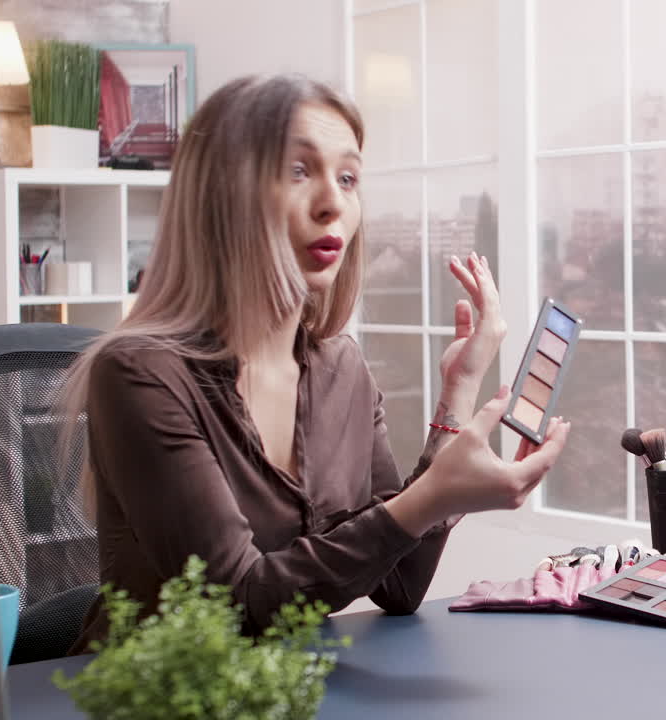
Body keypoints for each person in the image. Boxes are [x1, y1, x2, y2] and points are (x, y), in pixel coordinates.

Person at [62, 74, 570, 653]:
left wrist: (458, 393)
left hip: (293, 691)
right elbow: (237, 605)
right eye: (299, 171)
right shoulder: (139, 373)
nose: (333, 202)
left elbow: (400, 584)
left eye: (348, 177)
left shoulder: (341, 370)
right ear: (222, 196)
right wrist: (433, 497)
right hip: (155, 695)